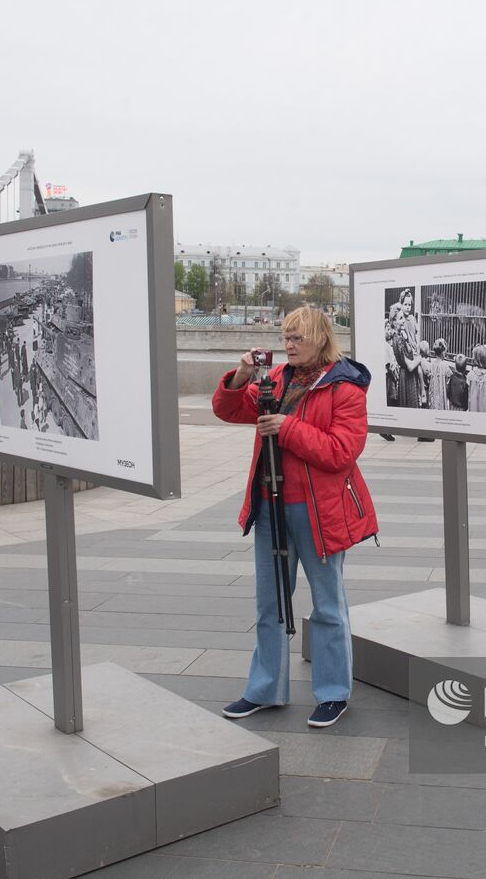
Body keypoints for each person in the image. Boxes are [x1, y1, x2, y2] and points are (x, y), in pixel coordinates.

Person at [212, 307, 377, 729]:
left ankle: (333, 693)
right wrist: (241, 375)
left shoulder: (346, 387)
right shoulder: (277, 379)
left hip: (320, 511)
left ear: (321, 338)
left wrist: (285, 428)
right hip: (271, 505)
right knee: (269, 604)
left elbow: (341, 452)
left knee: (327, 606)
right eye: (285, 338)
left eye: (296, 338)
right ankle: (264, 689)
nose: (288, 345)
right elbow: (228, 410)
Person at [466, 344, 486, 412]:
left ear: (475, 359)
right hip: (484, 411)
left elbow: (467, 390)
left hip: (473, 409)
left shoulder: (470, 375)